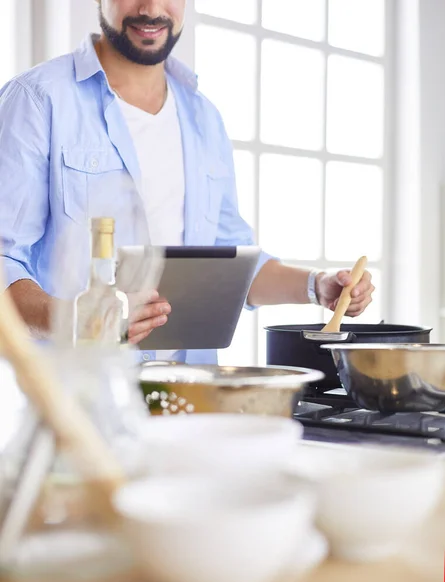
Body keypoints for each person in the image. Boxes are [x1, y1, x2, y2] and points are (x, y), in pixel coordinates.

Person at [0, 0, 374, 364]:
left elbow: (230, 260)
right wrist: (73, 321)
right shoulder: (37, 100)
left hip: (193, 399)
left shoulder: (205, 119)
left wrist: (318, 285)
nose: (151, 8)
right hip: (78, 402)